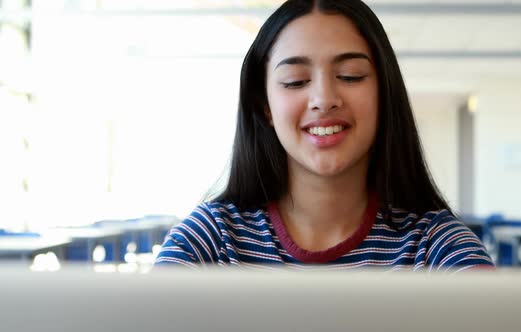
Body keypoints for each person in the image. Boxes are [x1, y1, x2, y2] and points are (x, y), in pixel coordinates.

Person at [155, 0, 494, 271]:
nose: (323, 99)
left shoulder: (437, 247)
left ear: (384, 95)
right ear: (265, 106)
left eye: (350, 75)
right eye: (295, 81)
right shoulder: (212, 240)